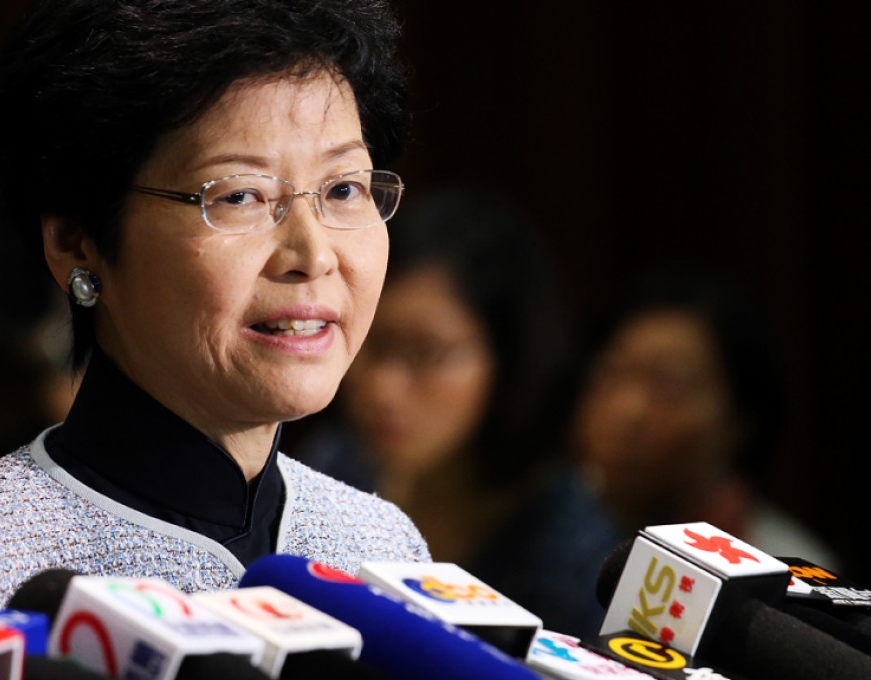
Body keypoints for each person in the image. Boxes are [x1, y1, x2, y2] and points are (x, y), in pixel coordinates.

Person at [0, 0, 429, 613]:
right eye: (240, 196)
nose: (312, 255)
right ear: (78, 240)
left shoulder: (383, 550)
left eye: (344, 189)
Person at [289, 188, 624, 638]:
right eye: (373, 343)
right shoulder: (332, 462)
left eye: (428, 353)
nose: (381, 389)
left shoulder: (568, 550)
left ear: (507, 359)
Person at [561, 266, 841, 568]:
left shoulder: (788, 568)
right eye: (609, 374)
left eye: (670, 385)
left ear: (740, 420)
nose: (628, 411)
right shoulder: (542, 532)